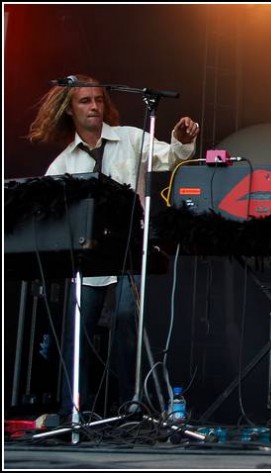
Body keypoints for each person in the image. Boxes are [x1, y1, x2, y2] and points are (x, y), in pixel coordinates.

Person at [28, 73, 200, 418]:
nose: (94, 106)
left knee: (126, 318)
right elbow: (45, 209)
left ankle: (132, 409)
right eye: (85, 101)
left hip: (126, 248)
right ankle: (73, 412)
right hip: (86, 258)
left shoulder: (130, 139)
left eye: (98, 100)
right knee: (78, 331)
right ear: (69, 110)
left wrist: (181, 140)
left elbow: (170, 157)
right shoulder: (62, 163)